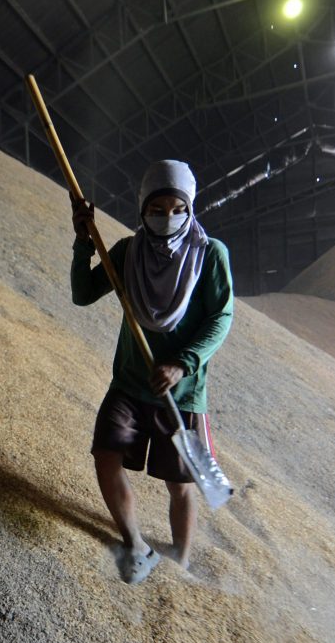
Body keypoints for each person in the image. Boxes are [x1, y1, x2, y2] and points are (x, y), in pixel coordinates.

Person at [70, 159, 233, 585]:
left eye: (176, 207)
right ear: (142, 209)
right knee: (106, 455)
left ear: (190, 207)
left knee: (180, 485)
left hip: (182, 394)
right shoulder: (127, 252)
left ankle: (180, 560)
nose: (167, 216)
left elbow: (221, 317)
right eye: (156, 208)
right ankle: (136, 544)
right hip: (129, 382)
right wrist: (83, 242)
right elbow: (83, 295)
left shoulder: (210, 255)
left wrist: (183, 364)